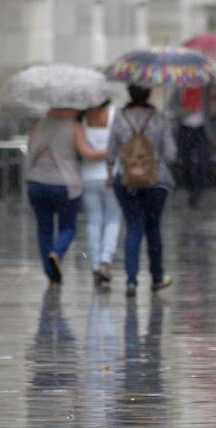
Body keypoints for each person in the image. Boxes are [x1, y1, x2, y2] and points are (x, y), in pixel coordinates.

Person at [106, 85, 178, 297]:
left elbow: (110, 153)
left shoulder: (120, 119)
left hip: (127, 180)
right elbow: (172, 154)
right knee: (153, 228)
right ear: (148, 94)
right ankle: (157, 277)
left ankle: (131, 281)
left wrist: (111, 175)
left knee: (134, 227)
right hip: (156, 181)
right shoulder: (159, 119)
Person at [26, 107, 105, 285]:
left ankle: (50, 271)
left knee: (44, 229)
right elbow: (87, 153)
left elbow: (30, 145)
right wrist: (110, 152)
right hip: (65, 184)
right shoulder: (74, 127)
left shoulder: (41, 124)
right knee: (68, 227)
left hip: (36, 182)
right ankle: (57, 252)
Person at [81, 100, 121, 289]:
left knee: (93, 222)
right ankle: (106, 260)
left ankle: (95, 264)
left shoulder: (82, 118)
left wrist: (95, 154)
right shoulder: (114, 116)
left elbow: (84, 153)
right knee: (113, 220)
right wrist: (110, 153)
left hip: (88, 177)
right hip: (111, 175)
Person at [175, 85, 212, 208]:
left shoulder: (205, 89)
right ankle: (190, 187)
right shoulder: (179, 89)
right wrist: (184, 111)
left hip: (201, 129)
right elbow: (172, 109)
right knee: (185, 162)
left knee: (202, 162)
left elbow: (211, 109)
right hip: (185, 129)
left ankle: (197, 193)